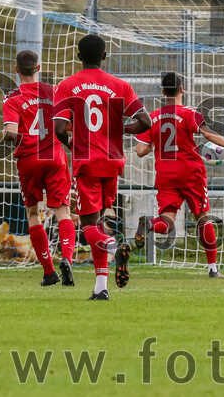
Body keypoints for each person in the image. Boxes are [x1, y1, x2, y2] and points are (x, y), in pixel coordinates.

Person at [54, 34, 152, 300]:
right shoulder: (120, 85)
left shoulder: (67, 86)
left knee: (87, 227)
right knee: (97, 221)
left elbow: (59, 128)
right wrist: (120, 128)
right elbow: (145, 123)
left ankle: (113, 245)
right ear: (104, 56)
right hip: (113, 162)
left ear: (78, 56)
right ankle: (101, 288)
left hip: (87, 162)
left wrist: (72, 142)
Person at [134, 72, 224, 278]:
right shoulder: (190, 113)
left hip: (165, 175)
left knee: (167, 221)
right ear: (182, 90)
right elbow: (208, 134)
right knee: (203, 218)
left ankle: (150, 224)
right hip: (190, 173)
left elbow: (140, 151)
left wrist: (155, 142)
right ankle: (213, 269)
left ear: (163, 92)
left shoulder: (152, 117)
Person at [2, 50, 75, 287]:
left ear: (16, 69)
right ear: (39, 67)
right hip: (55, 156)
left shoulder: (12, 97)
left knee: (33, 214)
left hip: (29, 160)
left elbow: (11, 133)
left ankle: (49, 272)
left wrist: (5, 135)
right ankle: (67, 258)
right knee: (63, 211)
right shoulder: (54, 92)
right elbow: (68, 125)